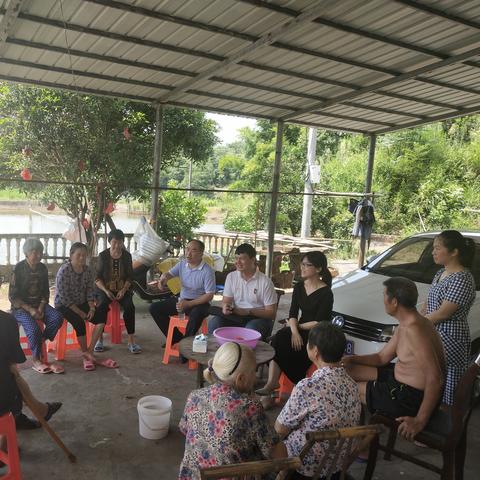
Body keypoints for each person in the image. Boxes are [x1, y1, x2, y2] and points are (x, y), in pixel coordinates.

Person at [343, 277, 446, 441]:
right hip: (398, 380)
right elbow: (381, 358)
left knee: (345, 388)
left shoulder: (415, 330)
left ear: (395, 302)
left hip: (410, 398)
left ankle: (357, 442)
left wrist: (420, 421)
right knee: (346, 370)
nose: (383, 299)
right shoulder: (407, 323)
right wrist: (352, 359)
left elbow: (436, 378)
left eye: (384, 295)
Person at [178, 342, 283, 479]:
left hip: (193, 476)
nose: (256, 377)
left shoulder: (195, 396)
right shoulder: (251, 408)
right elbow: (279, 455)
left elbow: (184, 429)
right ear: (241, 379)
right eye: (254, 371)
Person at [275, 322, 361, 480]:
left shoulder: (308, 386)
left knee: (267, 439)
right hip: (337, 464)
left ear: (315, 351)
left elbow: (280, 429)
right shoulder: (353, 385)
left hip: (305, 466)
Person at [257, 251, 333, 407]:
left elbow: (320, 321)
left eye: (307, 265)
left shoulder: (326, 292)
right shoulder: (299, 286)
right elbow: (292, 314)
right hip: (298, 328)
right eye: (302, 264)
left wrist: (297, 328)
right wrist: (294, 331)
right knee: (279, 337)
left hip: (316, 332)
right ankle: (272, 383)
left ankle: (275, 390)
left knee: (285, 342)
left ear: (318, 269)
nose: (302, 268)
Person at [423, 230, 476, 405]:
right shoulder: (440, 273)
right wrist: (418, 318)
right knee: (431, 379)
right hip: (432, 334)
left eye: (437, 248)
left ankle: (449, 419)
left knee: (449, 385)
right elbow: (428, 303)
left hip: (450, 338)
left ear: (454, 252)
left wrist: (415, 324)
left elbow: (443, 313)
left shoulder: (462, 278)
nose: (433, 252)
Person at [0, 308, 62, 439]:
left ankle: (35, 412)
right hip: (4, 405)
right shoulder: (5, 320)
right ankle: (10, 432)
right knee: (11, 375)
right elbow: (13, 367)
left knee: (9, 374)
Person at [54, 242, 116, 371]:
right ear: (71, 255)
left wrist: (92, 307)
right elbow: (64, 298)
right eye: (79, 255)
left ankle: (89, 351)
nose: (82, 258)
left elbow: (89, 290)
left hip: (82, 302)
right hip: (64, 305)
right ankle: (85, 353)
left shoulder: (87, 270)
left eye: (84, 255)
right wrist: (80, 312)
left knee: (101, 315)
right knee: (79, 322)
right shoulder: (64, 271)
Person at [149, 239, 216, 356]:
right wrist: (163, 278)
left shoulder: (207, 271)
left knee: (195, 315)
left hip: (200, 303)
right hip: (183, 299)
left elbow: (209, 295)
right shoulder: (182, 264)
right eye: (187, 249)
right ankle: (178, 339)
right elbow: (169, 274)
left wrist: (189, 304)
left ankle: (185, 350)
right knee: (154, 308)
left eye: (193, 250)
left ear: (201, 253)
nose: (188, 253)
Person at [9, 238, 64, 374]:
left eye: (40, 252)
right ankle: (36, 359)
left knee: (57, 318)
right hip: (21, 308)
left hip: (39, 305)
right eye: (35, 252)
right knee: (33, 330)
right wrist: (30, 309)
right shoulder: (18, 268)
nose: (38, 255)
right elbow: (13, 297)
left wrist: (40, 308)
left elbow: (45, 292)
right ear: (26, 253)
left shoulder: (42, 268)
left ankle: (40, 340)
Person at [208, 243, 278, 341]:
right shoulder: (231, 277)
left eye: (242, 259)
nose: (237, 262)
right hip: (236, 316)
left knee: (250, 328)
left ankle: (244, 351)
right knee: (215, 322)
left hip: (258, 318)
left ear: (253, 260)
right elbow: (226, 301)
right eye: (236, 258)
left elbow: (271, 313)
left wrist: (248, 311)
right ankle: (217, 349)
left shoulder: (265, 282)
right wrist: (225, 307)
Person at [95, 229, 140, 354]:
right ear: (109, 242)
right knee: (101, 306)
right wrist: (106, 291)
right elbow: (97, 277)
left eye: (120, 242)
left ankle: (131, 341)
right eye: (114, 242)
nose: (117, 245)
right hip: (105, 289)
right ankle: (99, 339)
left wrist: (124, 289)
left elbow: (130, 277)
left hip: (122, 289)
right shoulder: (103, 256)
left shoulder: (127, 256)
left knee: (130, 307)